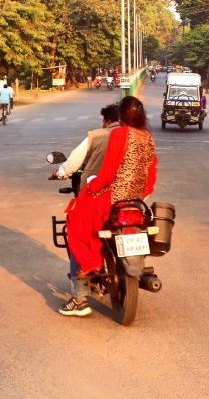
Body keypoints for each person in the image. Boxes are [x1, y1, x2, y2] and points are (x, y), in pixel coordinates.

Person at [59, 96, 158, 317]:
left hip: (112, 196)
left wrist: (92, 188)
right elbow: (151, 175)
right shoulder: (147, 137)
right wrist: (139, 195)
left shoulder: (119, 134)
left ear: (121, 116)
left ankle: (87, 273)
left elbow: (109, 172)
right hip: (136, 200)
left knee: (75, 218)